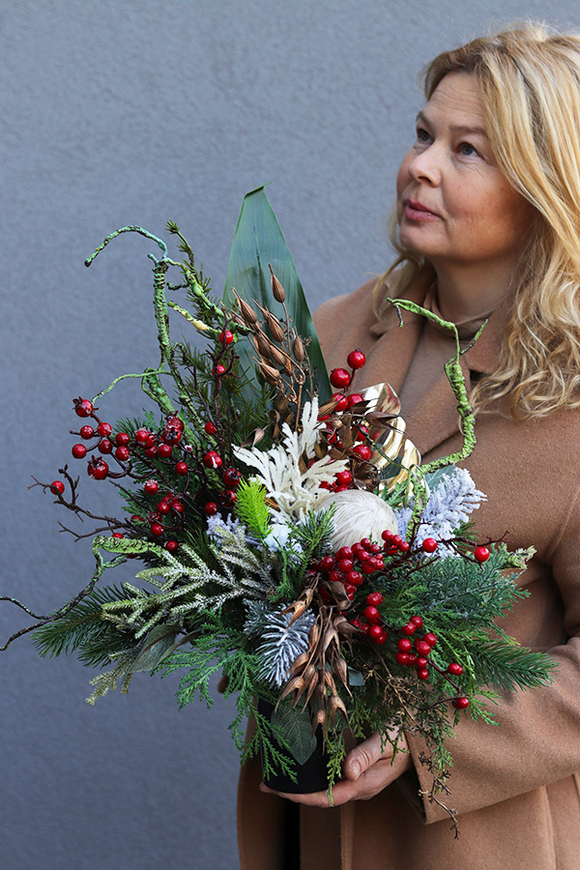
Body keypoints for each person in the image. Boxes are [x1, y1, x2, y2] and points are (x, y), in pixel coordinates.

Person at [237, 23, 580, 869]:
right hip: (308, 819)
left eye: (469, 151)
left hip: (477, 838)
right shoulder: (322, 336)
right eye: (424, 135)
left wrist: (427, 737)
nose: (420, 166)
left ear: (546, 183)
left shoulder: (572, 396)